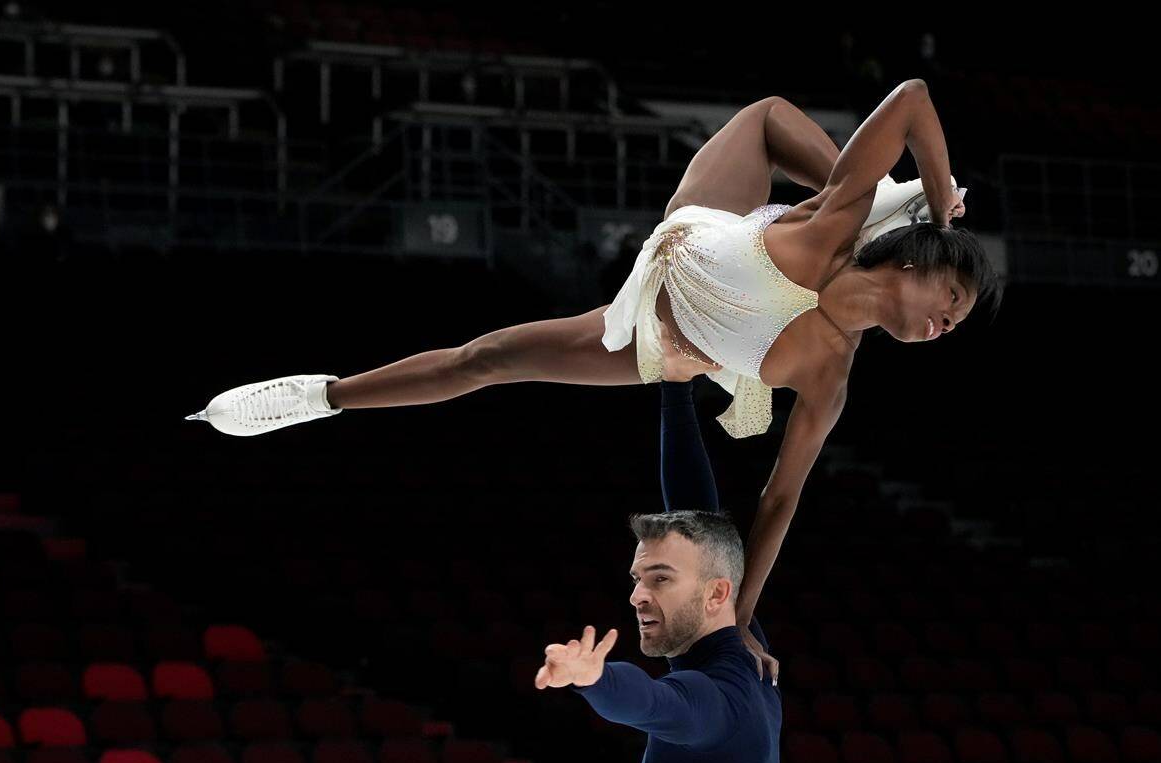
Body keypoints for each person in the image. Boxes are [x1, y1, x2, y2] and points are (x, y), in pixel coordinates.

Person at [187, 79, 1001, 661]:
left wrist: (738, 621)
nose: (944, 324)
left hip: (661, 335)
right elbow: (914, 98)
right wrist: (936, 197)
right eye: (951, 297)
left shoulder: (831, 376)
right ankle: (317, 395)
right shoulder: (836, 221)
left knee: (493, 358)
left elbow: (779, 501)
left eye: (955, 324)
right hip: (706, 235)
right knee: (765, 119)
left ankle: (324, 400)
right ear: (923, 260)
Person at [533, 342, 785, 763]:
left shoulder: (719, 705)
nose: (637, 596)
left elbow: (656, 703)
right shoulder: (746, 648)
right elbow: (695, 508)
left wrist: (596, 679)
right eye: (637, 578)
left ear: (717, 593)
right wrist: (675, 388)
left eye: (660, 579)